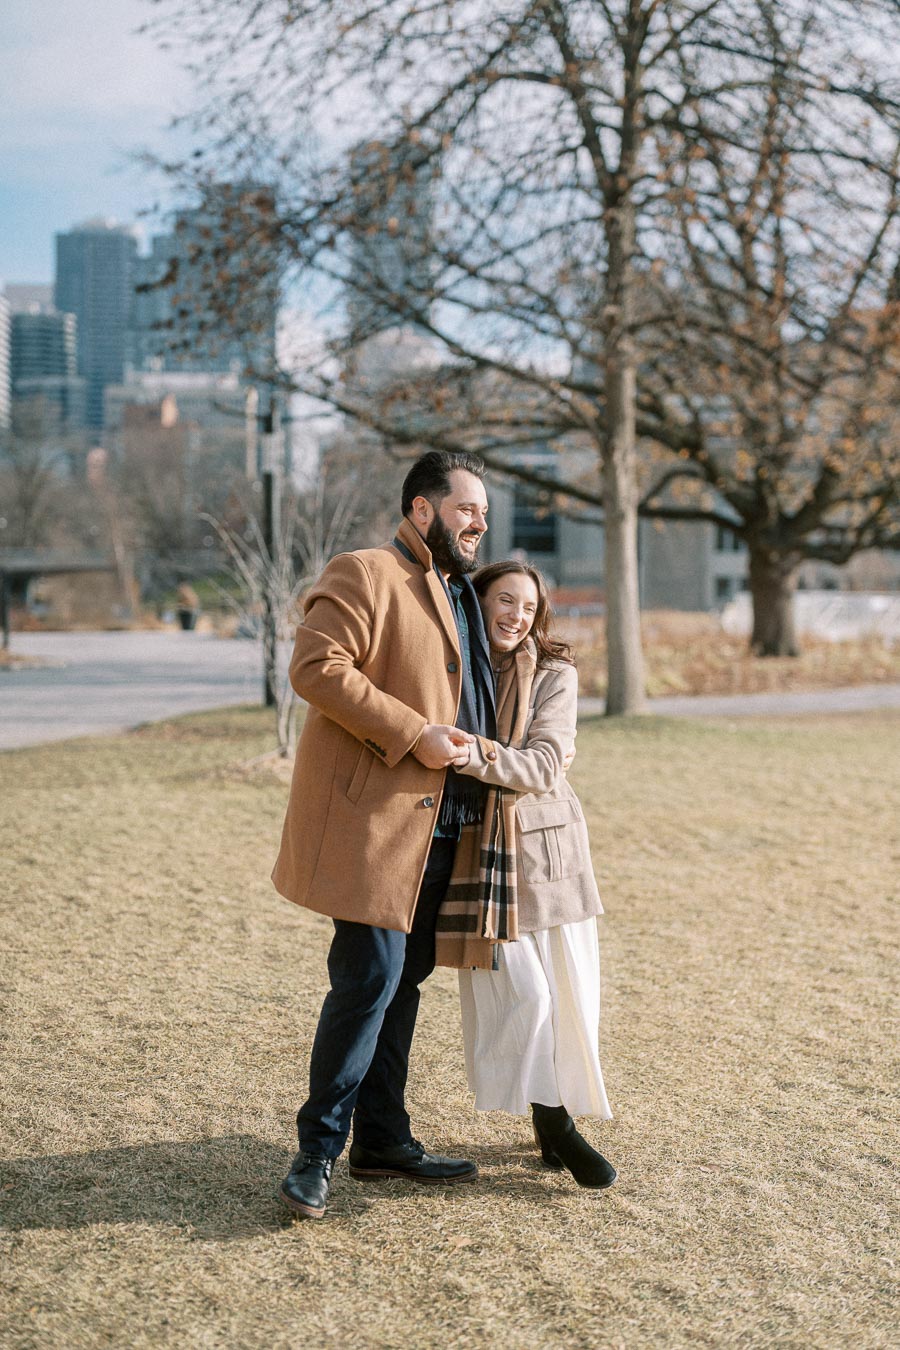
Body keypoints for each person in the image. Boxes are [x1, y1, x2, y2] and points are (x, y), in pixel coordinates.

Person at [271, 450, 495, 1220]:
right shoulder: (364, 570)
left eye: (485, 515)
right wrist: (415, 732)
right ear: (422, 509)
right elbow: (315, 666)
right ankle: (317, 1152)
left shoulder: (455, 590)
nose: (479, 525)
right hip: (375, 823)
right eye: (467, 509)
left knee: (403, 982)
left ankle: (383, 1139)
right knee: (369, 979)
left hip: (442, 823)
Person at [435, 560, 616, 1189]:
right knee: (526, 996)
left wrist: (474, 753)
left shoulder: (554, 675)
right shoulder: (454, 670)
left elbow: (543, 765)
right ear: (478, 602)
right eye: (504, 601)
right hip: (474, 857)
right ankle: (555, 1123)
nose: (516, 616)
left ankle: (553, 1121)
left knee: (563, 998)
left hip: (547, 856)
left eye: (529, 607)